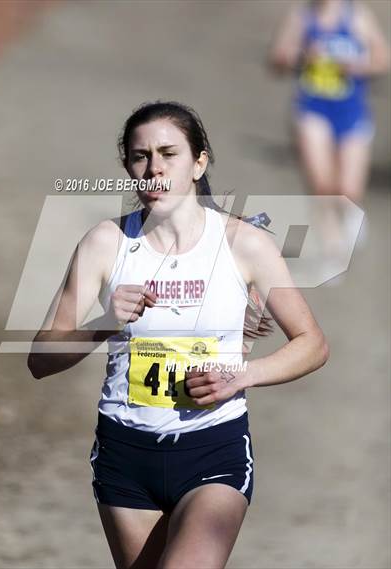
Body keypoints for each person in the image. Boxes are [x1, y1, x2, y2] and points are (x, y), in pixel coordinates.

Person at [28, 101, 329, 569]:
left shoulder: (244, 244)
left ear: (199, 163)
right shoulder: (105, 243)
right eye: (140, 156)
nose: (154, 169)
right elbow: (40, 359)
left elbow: (312, 343)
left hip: (213, 448)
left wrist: (239, 377)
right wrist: (102, 323)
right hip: (125, 451)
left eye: (169, 154)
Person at [270, 0, 389, 256]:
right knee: (322, 186)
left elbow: (383, 59)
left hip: (351, 112)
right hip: (313, 109)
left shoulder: (357, 16)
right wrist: (302, 55)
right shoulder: (303, 17)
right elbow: (277, 59)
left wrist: (357, 64)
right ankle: (331, 253)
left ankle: (349, 216)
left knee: (349, 190)